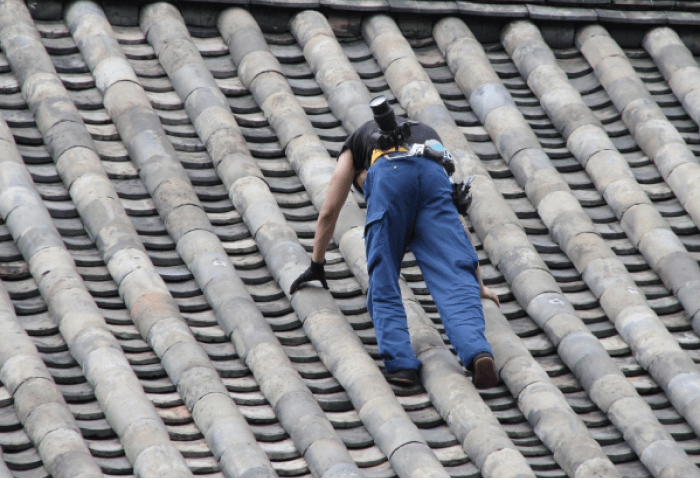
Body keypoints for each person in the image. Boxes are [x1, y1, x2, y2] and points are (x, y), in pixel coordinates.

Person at [290, 96, 500, 389]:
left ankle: (401, 365)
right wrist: (477, 284)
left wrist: (316, 263)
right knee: (454, 274)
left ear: (361, 174)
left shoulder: (355, 144)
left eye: (360, 185)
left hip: (391, 176)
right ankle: (477, 351)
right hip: (433, 179)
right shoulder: (427, 135)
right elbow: (459, 234)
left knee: (383, 275)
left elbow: (329, 212)